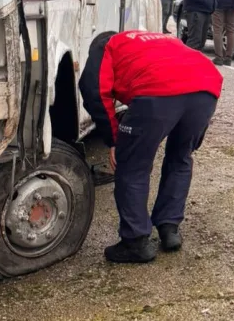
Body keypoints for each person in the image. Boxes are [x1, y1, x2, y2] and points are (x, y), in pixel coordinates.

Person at [79, 30, 222, 263]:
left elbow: (93, 91)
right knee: (180, 157)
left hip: (157, 90)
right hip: (206, 86)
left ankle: (135, 242)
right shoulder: (157, 39)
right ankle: (169, 228)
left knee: (132, 166)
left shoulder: (106, 46)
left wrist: (113, 139)